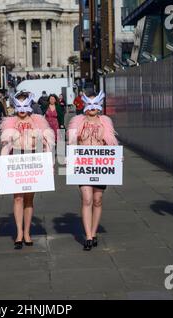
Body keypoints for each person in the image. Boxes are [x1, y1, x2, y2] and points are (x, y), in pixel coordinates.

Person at [0, 91, 55, 250]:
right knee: (18, 198)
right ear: (15, 106)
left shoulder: (38, 121)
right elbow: (5, 146)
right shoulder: (10, 123)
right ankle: (18, 232)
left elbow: (47, 143)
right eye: (19, 105)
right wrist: (2, 166)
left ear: (30, 105)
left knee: (29, 199)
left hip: (33, 160)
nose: (22, 109)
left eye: (25, 105)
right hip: (16, 160)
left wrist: (49, 163)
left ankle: (27, 232)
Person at [68, 90, 118, 251]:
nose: (92, 108)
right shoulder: (77, 122)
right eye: (89, 104)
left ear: (99, 106)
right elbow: (72, 143)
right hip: (83, 165)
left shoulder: (105, 122)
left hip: (101, 165)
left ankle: (94, 232)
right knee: (87, 198)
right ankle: (88, 236)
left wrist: (116, 157)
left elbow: (111, 143)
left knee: (97, 200)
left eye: (95, 104)